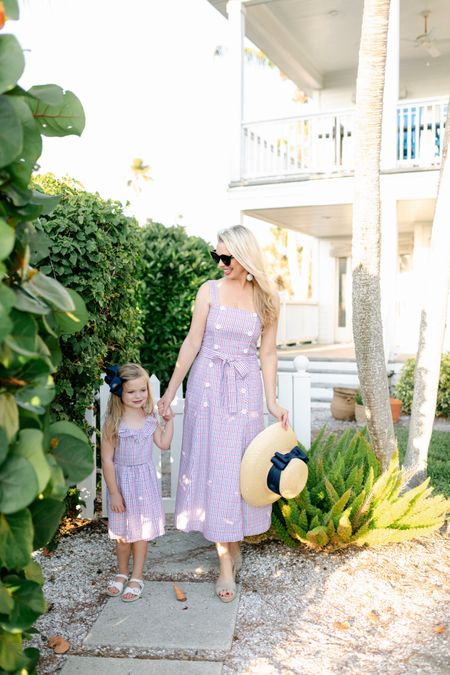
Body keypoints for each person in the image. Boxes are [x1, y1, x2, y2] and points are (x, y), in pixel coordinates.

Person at [158, 224, 288, 603]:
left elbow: (267, 353)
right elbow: (193, 341)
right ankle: (225, 562)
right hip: (207, 387)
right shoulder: (208, 291)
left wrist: (272, 400)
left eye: (227, 256)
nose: (220, 263)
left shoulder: (268, 298)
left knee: (239, 468)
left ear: (245, 257)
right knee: (214, 467)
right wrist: (169, 392)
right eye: (216, 255)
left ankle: (233, 539)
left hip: (244, 391)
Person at [101, 363, 173, 602]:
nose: (138, 396)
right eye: (131, 392)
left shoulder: (150, 418)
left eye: (142, 390)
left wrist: (168, 422)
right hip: (121, 483)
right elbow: (108, 461)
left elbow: (163, 444)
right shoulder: (113, 422)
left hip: (143, 482)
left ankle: (137, 576)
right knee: (122, 536)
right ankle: (122, 573)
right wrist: (114, 493)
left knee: (140, 534)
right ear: (119, 392)